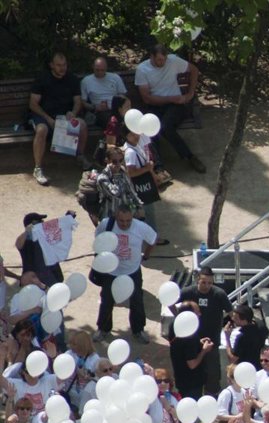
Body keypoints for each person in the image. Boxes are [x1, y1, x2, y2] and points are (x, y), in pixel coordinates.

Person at [134, 44, 205, 173]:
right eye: (159, 60)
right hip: (156, 105)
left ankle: (190, 157)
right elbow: (147, 98)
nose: (162, 62)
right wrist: (171, 98)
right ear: (151, 57)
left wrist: (190, 93)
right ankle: (158, 166)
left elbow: (194, 70)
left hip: (175, 106)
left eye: (164, 59)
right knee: (150, 128)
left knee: (165, 127)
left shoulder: (173, 61)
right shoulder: (142, 70)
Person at [92, 205, 155, 344]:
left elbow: (153, 239)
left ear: (132, 218)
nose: (125, 224)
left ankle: (138, 330)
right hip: (111, 271)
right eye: (121, 221)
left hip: (132, 271)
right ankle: (103, 329)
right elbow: (98, 238)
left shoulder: (140, 227)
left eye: (128, 221)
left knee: (137, 301)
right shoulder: (106, 224)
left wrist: (146, 256)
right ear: (116, 217)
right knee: (107, 301)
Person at [29, 52, 88, 186]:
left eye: (64, 65)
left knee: (82, 125)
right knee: (42, 130)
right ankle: (38, 168)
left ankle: (80, 156)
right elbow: (33, 104)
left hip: (64, 117)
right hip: (44, 115)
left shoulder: (72, 79)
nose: (62, 68)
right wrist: (48, 119)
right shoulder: (42, 79)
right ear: (51, 65)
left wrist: (73, 113)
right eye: (59, 65)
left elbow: (77, 101)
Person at [177, 266, 233, 395]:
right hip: (192, 340)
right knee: (191, 370)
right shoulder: (188, 292)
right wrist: (178, 316)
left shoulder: (219, 294)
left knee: (213, 373)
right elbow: (170, 301)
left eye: (210, 283)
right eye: (203, 282)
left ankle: (212, 396)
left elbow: (231, 313)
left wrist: (231, 325)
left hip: (212, 342)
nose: (206, 286)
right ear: (197, 280)